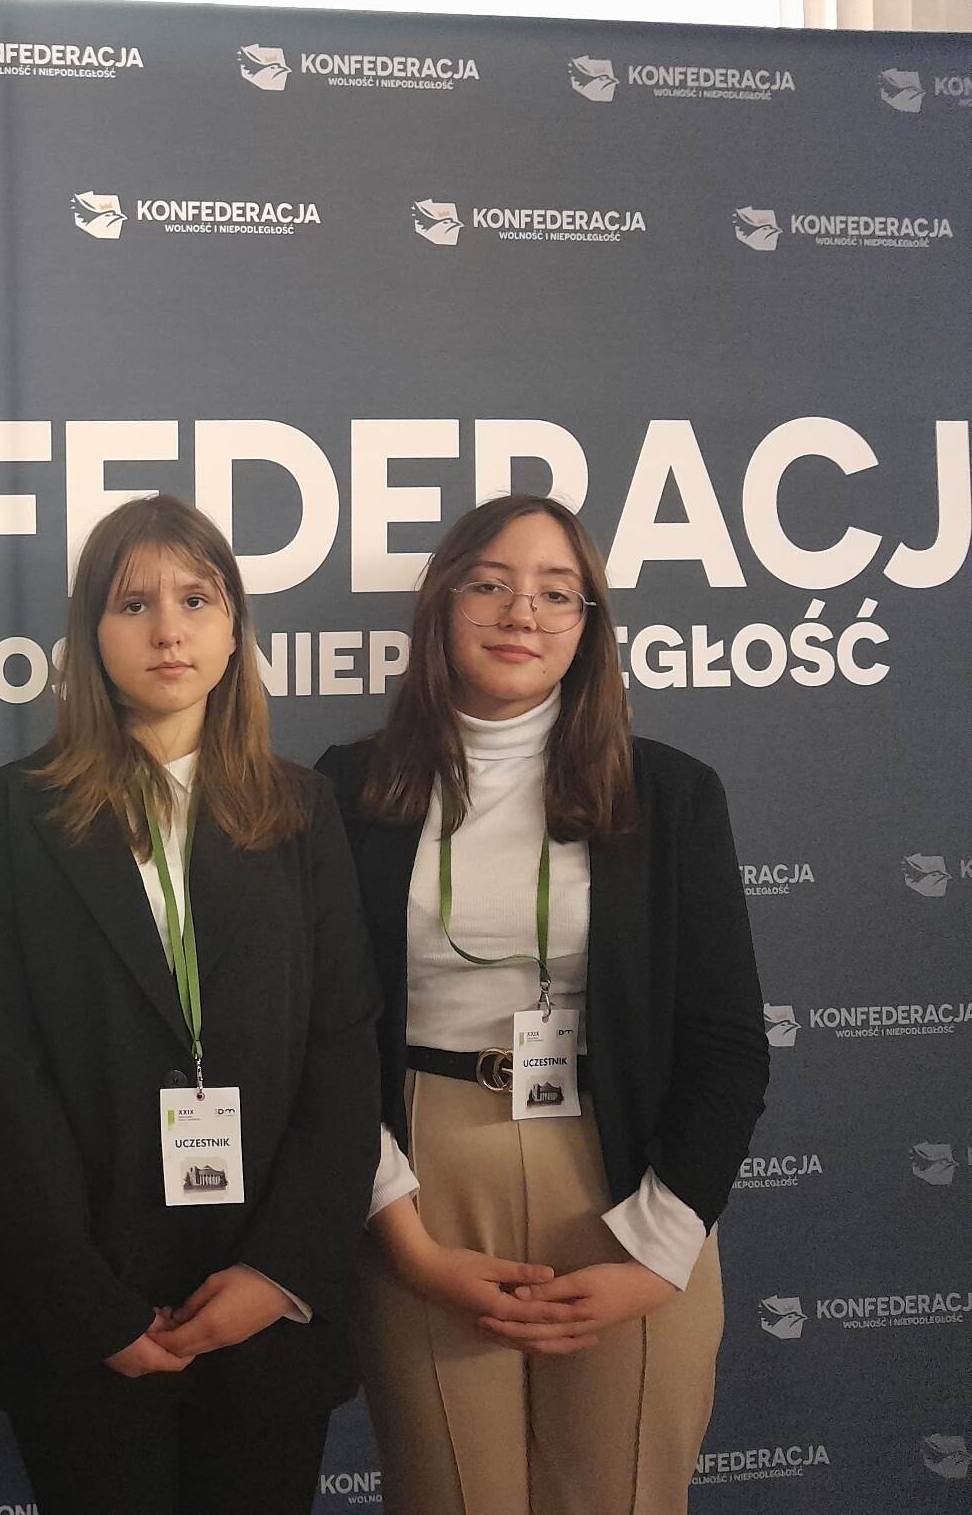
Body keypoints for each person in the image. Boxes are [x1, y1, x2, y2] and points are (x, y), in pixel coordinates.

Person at [315, 495, 768, 1515]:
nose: (521, 612)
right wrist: (404, 1240)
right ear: (442, 604)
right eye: (490, 584)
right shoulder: (346, 790)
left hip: (626, 1180)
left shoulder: (671, 793)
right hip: (421, 1185)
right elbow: (326, 1036)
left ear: (587, 623)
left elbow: (728, 1044)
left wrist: (659, 1253)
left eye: (556, 593)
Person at [0, 496, 382, 1515]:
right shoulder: (7, 814)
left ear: (234, 629)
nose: (167, 630)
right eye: (131, 603)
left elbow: (342, 1050)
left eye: (196, 600)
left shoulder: (302, 810)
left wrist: (278, 1272)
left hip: (263, 1305)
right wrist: (90, 1306)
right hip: (85, 1312)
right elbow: (8, 1075)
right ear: (89, 635)